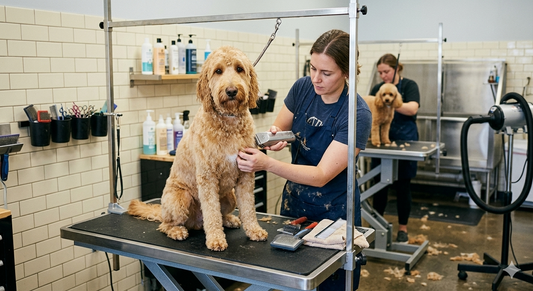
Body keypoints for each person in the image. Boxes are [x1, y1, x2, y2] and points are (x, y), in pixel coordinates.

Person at [237, 29, 372, 290]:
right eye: (312, 68)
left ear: (347, 72)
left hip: (334, 214)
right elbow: (279, 126)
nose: (316, 79)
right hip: (294, 205)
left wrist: (267, 164)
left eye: (326, 73)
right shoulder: (302, 88)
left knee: (331, 282)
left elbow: (322, 175)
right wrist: (276, 137)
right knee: (290, 281)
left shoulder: (357, 114)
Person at [370, 53, 420, 243]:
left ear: (397, 68)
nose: (383, 76)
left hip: (405, 139)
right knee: (379, 186)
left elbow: (413, 109)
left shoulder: (409, 85)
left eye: (387, 71)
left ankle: (403, 229)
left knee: (403, 186)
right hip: (381, 144)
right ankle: (377, 226)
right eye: (380, 73)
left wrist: (390, 100)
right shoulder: (378, 88)